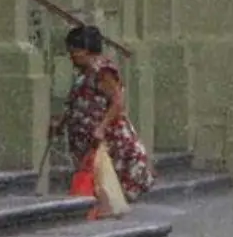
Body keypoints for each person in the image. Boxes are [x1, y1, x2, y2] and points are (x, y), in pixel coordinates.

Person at [51, 25, 155, 217]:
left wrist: (101, 127)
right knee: (95, 175)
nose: (71, 56)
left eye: (75, 51)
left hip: (105, 137)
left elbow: (117, 101)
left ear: (87, 50)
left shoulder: (102, 71)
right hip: (85, 137)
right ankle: (102, 208)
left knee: (108, 174)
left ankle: (108, 207)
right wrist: (62, 122)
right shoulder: (83, 73)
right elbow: (77, 101)